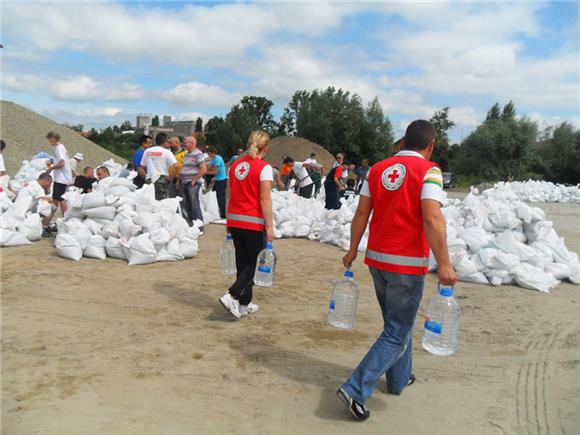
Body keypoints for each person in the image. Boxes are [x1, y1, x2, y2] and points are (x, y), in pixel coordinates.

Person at [336, 120, 457, 421]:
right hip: (407, 263)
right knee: (397, 330)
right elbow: (432, 218)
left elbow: (361, 213)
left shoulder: (376, 170)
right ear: (431, 146)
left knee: (397, 323)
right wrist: (443, 262)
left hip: (377, 260)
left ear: (402, 143)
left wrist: (352, 249)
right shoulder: (429, 171)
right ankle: (355, 388)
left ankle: (399, 378)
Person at [219, 130, 274, 320]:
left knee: (243, 263)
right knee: (258, 263)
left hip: (235, 219)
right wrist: (270, 226)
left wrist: (228, 220)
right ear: (265, 148)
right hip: (253, 221)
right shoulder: (264, 168)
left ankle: (244, 304)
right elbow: (265, 198)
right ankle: (232, 295)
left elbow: (229, 195)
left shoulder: (234, 166)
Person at [139, 132, 178, 200]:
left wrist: (145, 176)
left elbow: (141, 167)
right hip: (161, 180)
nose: (169, 144)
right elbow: (176, 166)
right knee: (161, 203)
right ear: (164, 142)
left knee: (149, 201)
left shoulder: (147, 151)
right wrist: (170, 178)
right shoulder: (167, 152)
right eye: (168, 142)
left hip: (149, 180)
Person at [16, 172, 55, 236]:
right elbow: (45, 199)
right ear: (45, 180)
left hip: (19, 207)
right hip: (24, 210)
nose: (50, 185)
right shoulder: (38, 187)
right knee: (51, 206)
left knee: (41, 204)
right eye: (50, 183)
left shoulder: (31, 182)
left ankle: (46, 224)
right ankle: (44, 228)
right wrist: (50, 198)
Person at [180, 137, 207, 229]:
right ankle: (192, 225)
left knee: (194, 204)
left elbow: (203, 169)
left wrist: (194, 180)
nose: (183, 144)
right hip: (185, 182)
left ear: (192, 143)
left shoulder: (197, 154)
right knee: (188, 204)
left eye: (185, 142)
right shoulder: (187, 154)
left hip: (192, 184)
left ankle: (199, 226)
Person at [46, 131, 72, 215]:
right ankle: (48, 220)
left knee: (61, 199)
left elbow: (62, 163)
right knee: (55, 199)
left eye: (49, 140)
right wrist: (53, 161)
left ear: (53, 138)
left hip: (62, 178)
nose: (49, 142)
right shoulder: (60, 148)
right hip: (60, 178)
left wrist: (51, 168)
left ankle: (65, 218)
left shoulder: (59, 148)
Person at [206, 147, 228, 219]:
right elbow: (211, 168)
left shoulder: (217, 159)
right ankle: (219, 212)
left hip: (221, 180)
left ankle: (223, 214)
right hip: (217, 180)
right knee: (216, 197)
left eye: (209, 153)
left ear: (212, 153)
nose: (208, 155)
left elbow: (215, 171)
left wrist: (205, 172)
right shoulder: (214, 159)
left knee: (220, 198)